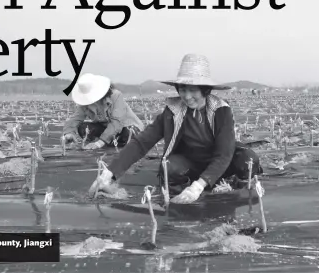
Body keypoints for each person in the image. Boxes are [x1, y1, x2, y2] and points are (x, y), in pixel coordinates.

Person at [89, 54, 263, 204]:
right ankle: (184, 192)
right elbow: (142, 142)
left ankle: (225, 185)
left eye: (193, 90)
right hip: (191, 162)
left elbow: (224, 154)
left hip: (221, 163)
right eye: (183, 90)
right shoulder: (172, 111)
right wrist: (109, 173)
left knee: (248, 159)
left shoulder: (221, 111)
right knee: (170, 168)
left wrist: (199, 186)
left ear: (205, 90)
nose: (187, 97)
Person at [62, 73, 144, 150]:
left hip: (128, 128)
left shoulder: (116, 96)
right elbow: (75, 119)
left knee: (127, 134)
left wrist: (99, 143)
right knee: (83, 128)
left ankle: (109, 141)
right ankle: (109, 141)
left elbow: (116, 123)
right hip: (106, 129)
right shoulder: (85, 103)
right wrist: (68, 133)